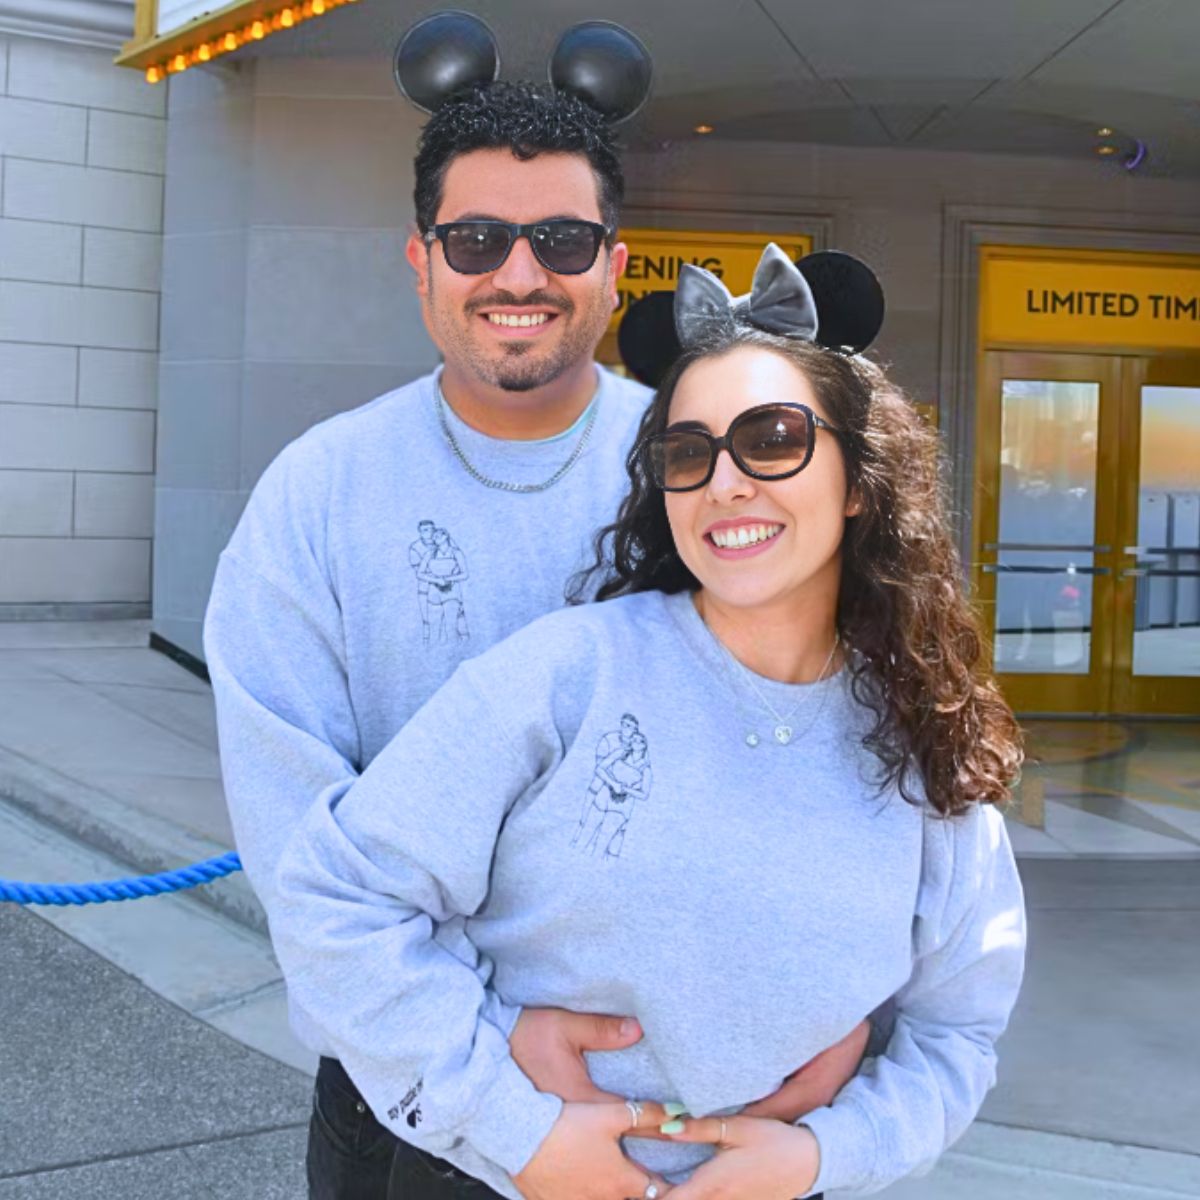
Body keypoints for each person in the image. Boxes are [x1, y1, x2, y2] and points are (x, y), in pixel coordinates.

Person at [203, 76, 870, 1198]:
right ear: (421, 260)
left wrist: (845, 996)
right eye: (476, 239)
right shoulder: (316, 493)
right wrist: (494, 1079)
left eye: (561, 239)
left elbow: (830, 743)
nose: (519, 273)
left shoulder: (714, 468)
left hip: (714, 1111)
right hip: (412, 1107)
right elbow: (299, 856)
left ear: (617, 264)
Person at [270, 246, 1027, 1200]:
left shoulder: (923, 735)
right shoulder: (569, 674)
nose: (726, 482)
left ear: (863, 479)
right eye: (688, 450)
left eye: (774, 437)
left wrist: (822, 1156)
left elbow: (956, 1030)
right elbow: (335, 899)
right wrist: (517, 1134)